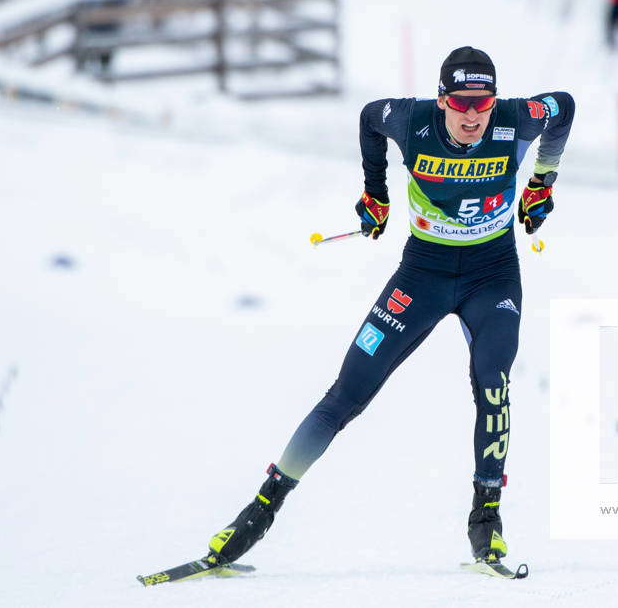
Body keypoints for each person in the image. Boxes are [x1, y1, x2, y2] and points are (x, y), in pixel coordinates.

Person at [205, 47, 575, 573]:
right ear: (441, 99)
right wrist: (374, 192)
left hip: (492, 276)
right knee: (346, 393)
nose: (472, 116)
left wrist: (542, 181)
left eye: (483, 103)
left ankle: (485, 519)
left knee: (493, 384)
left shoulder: (517, 117)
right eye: (461, 103)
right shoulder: (410, 120)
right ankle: (259, 512)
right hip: (421, 276)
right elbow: (367, 119)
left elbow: (565, 105)